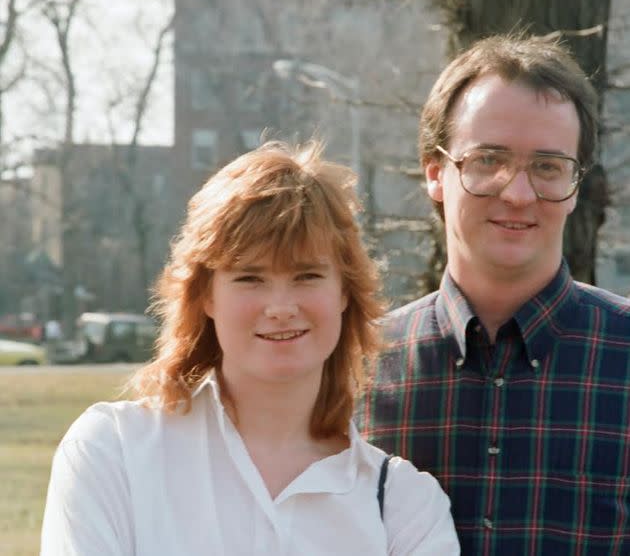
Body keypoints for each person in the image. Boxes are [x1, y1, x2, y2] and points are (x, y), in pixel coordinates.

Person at [41, 141, 460, 555]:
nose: (280, 308)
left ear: (345, 293)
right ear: (205, 296)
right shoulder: (113, 452)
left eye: (307, 275)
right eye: (249, 278)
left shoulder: (405, 507)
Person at [358, 34, 630, 555]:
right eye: (488, 160)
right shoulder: (356, 367)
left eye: (548, 166)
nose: (518, 192)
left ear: (576, 183)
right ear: (436, 174)